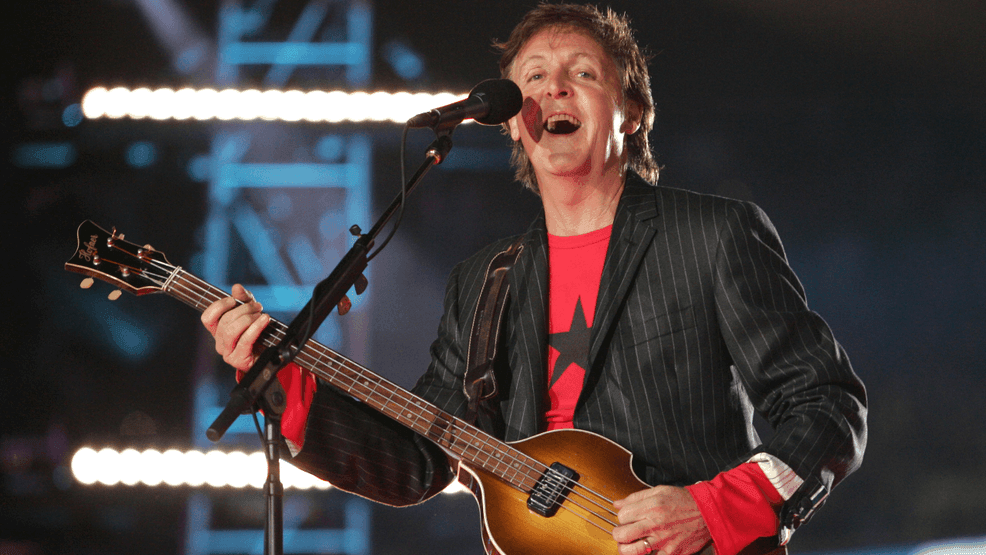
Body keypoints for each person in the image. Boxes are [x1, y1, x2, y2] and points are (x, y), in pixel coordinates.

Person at [201, 4, 867, 555]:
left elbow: (825, 404)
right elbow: (418, 460)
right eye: (534, 78)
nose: (553, 89)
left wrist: (711, 507)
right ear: (515, 125)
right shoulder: (484, 282)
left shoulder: (711, 235)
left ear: (631, 112)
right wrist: (282, 379)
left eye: (582, 73)